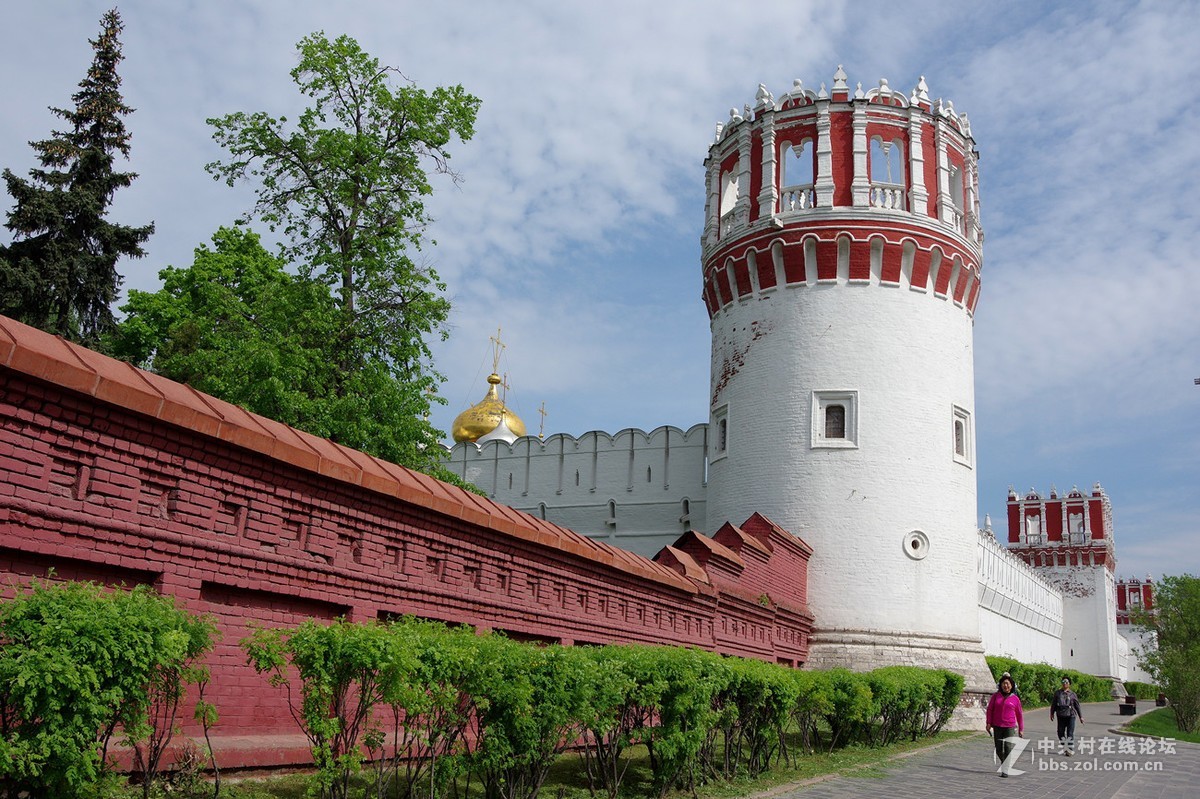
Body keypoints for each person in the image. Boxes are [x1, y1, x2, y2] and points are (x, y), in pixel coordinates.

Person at [985, 674, 1024, 777]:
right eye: (1004, 683)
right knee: (998, 748)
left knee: (1007, 747)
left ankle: (1005, 769)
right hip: (997, 725)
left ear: (1011, 686)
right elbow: (990, 710)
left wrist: (1021, 729)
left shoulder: (1015, 699)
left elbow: (1019, 714)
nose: (1005, 686)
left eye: (1008, 684)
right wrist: (988, 723)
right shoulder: (995, 696)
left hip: (1009, 726)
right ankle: (1005, 763)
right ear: (1001, 685)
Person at [1051, 676, 1085, 755]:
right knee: (1060, 733)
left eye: (1066, 682)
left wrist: (1081, 717)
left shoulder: (1073, 694)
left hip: (1071, 715)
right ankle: (1065, 746)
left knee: (1070, 733)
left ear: (1069, 684)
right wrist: (1052, 713)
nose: (1065, 684)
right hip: (1060, 715)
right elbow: (1053, 704)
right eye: (1063, 682)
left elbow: (1077, 706)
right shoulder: (1057, 693)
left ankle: (1069, 750)